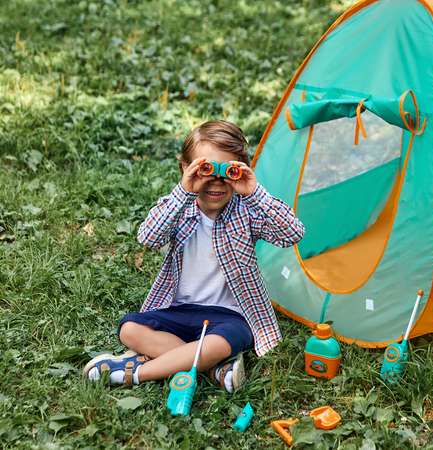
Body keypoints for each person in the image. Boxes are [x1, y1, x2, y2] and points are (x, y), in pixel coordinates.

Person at [84, 120, 305, 392]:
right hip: (180, 311)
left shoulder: (246, 213)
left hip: (231, 316)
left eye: (228, 172)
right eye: (205, 169)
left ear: (240, 171)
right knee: (129, 329)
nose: (216, 182)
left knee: (218, 344)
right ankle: (214, 368)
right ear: (185, 169)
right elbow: (148, 237)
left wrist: (254, 193)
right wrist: (184, 191)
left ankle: (135, 373)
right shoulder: (178, 209)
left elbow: (292, 233)